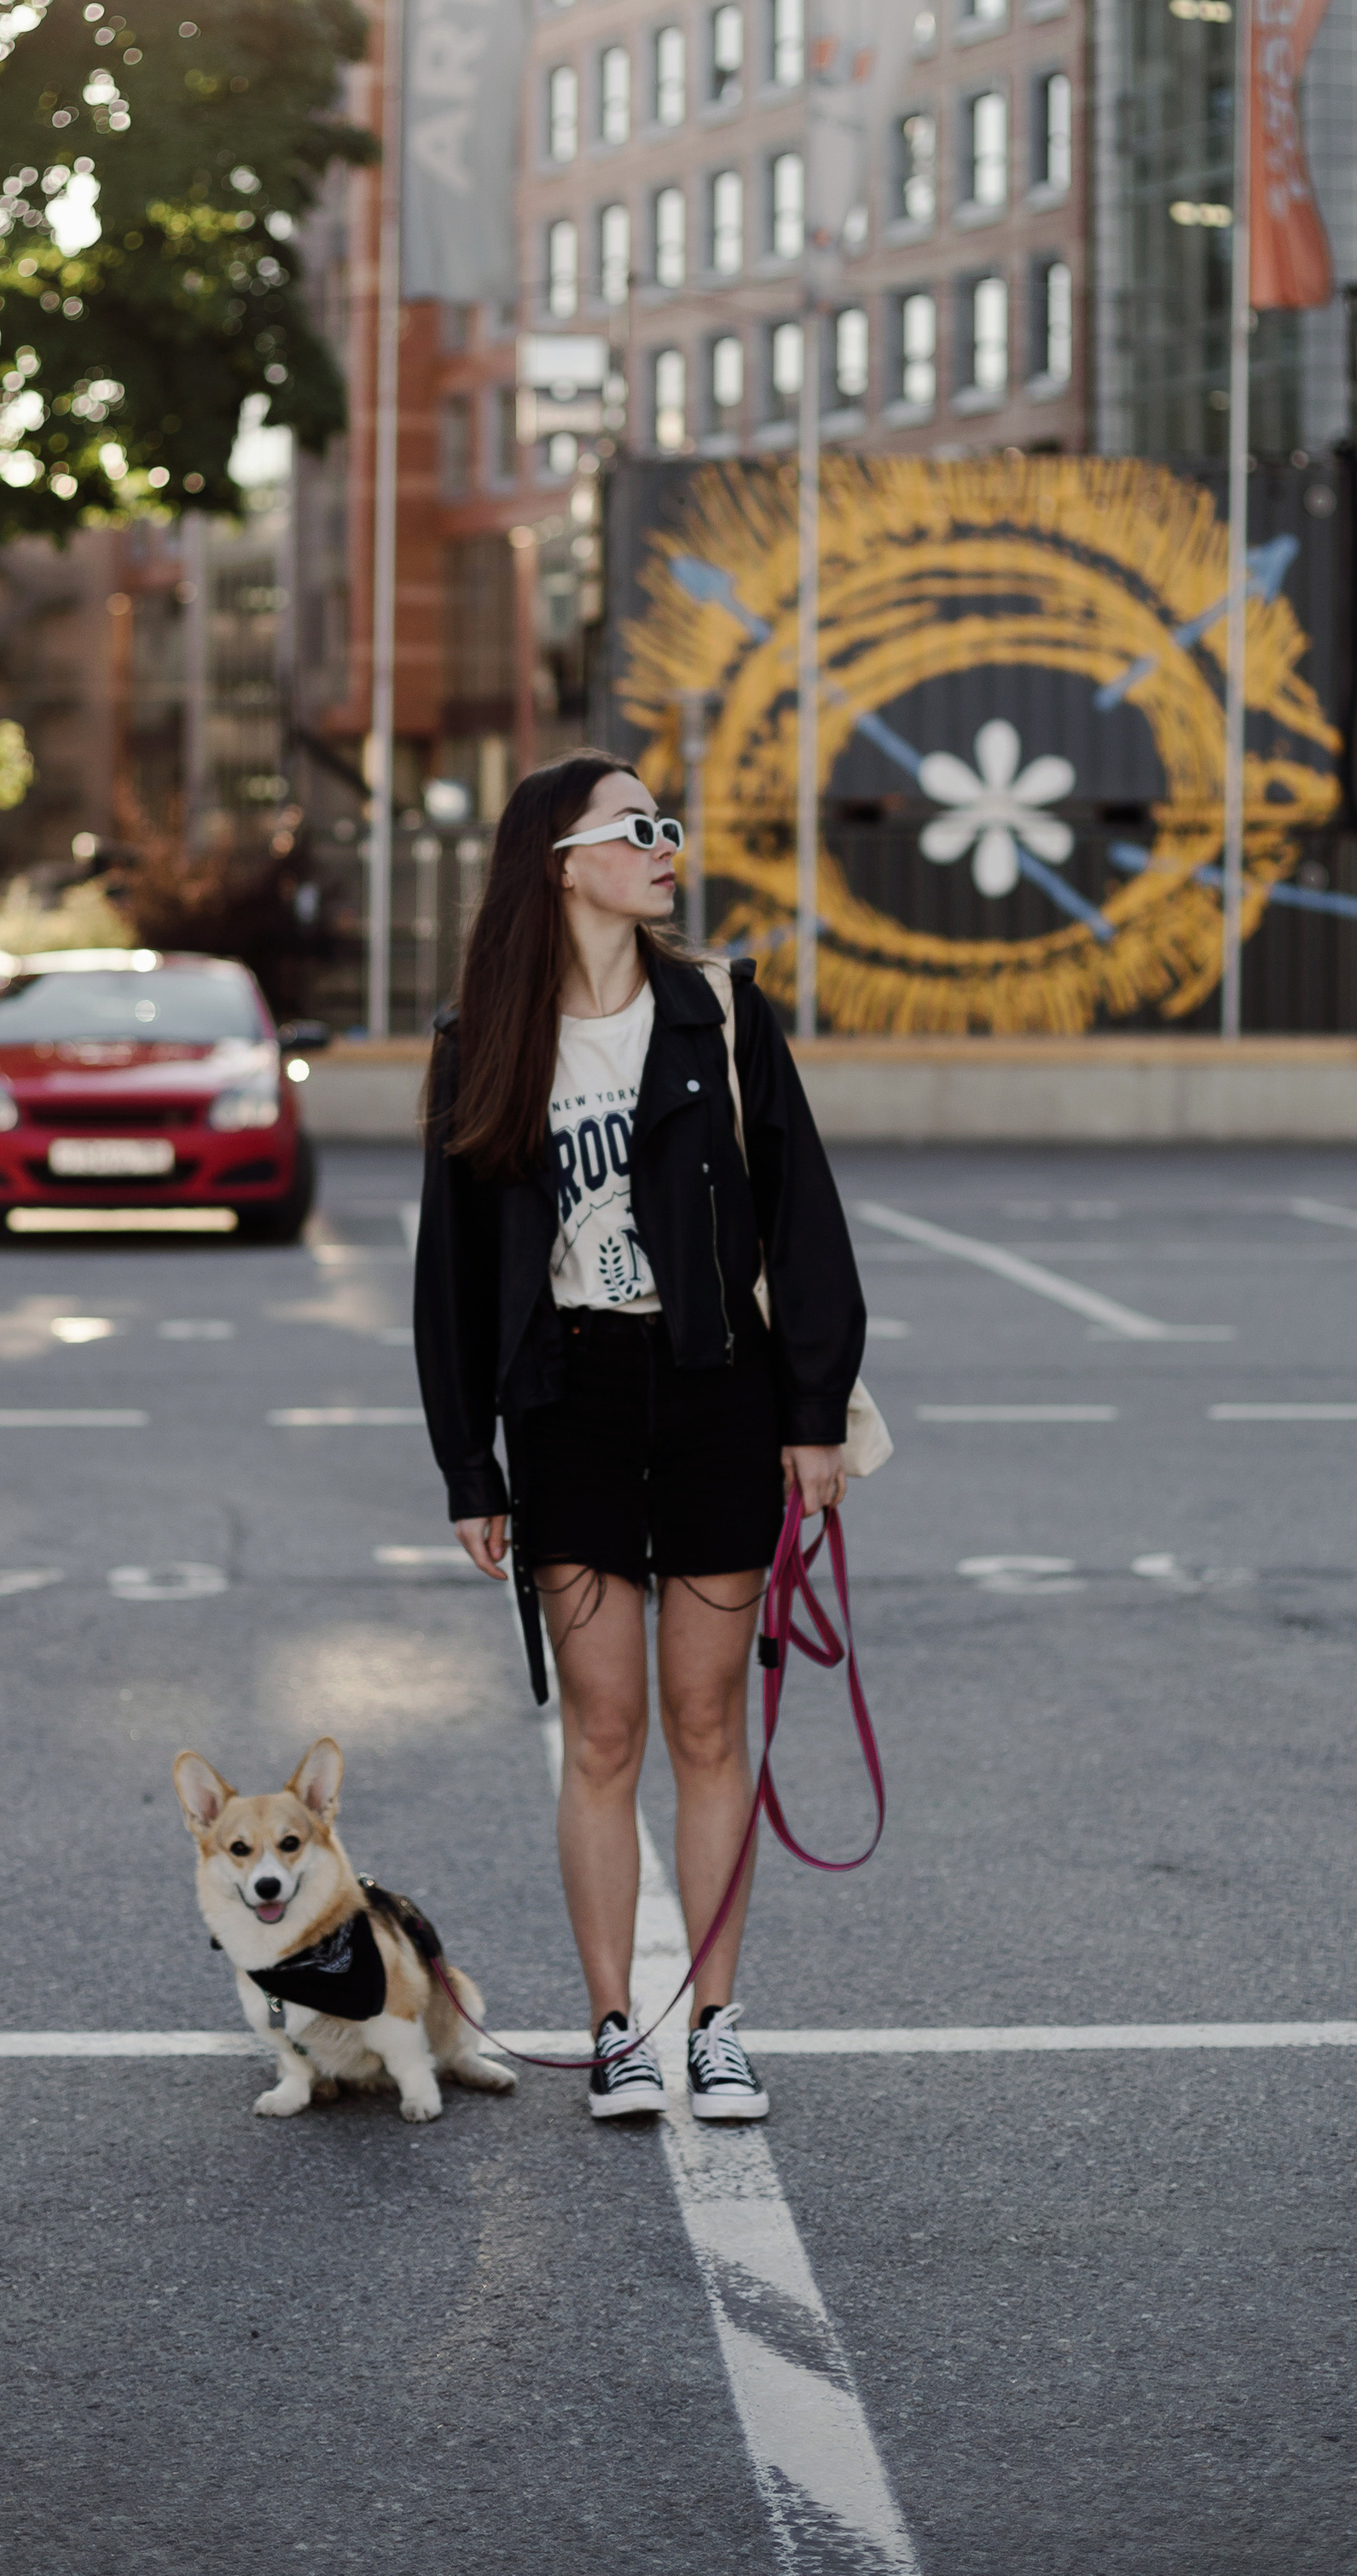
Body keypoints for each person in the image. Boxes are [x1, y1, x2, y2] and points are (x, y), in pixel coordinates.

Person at [413, 748, 867, 2124]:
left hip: (718, 1384)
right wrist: (465, 1465)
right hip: (572, 1402)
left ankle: (717, 2024)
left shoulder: (717, 1011)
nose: (668, 846)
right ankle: (617, 2028)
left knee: (707, 1720)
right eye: (639, 827)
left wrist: (814, 1415)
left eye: (667, 827)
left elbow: (803, 1214)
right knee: (603, 1732)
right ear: (561, 863)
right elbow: (450, 1272)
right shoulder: (484, 1042)